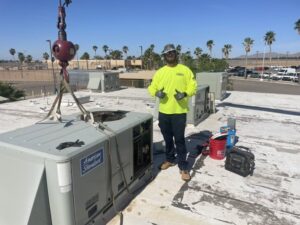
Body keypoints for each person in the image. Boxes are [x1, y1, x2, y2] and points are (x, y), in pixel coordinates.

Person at [148, 44, 197, 181]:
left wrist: (185, 93)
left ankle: (183, 166)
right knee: (168, 139)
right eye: (167, 53)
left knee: (180, 140)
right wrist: (156, 92)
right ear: (164, 56)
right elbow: (152, 87)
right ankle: (170, 160)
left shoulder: (185, 70)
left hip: (179, 112)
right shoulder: (160, 72)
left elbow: (193, 86)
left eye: (172, 52)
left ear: (176, 54)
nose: (170, 54)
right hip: (164, 112)